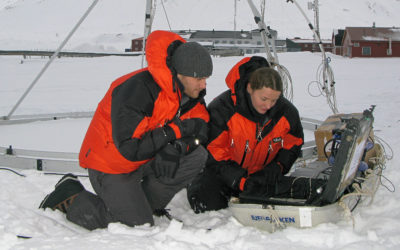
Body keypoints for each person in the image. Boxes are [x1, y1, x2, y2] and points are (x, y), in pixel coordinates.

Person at [39, 30, 213, 230]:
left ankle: (141, 204)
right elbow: (130, 149)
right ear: (181, 74)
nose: (203, 84)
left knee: (196, 156)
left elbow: (201, 125)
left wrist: (178, 147)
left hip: (142, 158)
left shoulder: (183, 91)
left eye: (206, 78)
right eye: (199, 78)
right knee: (138, 226)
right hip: (111, 165)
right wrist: (173, 133)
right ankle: (71, 197)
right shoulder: (137, 90)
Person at [187, 56, 304, 213]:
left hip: (260, 176)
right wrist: (240, 180)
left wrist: (278, 167)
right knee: (209, 208)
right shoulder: (223, 110)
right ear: (250, 89)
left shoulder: (286, 113)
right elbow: (214, 153)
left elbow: (293, 143)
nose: (269, 105)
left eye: (274, 100)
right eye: (264, 99)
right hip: (221, 174)